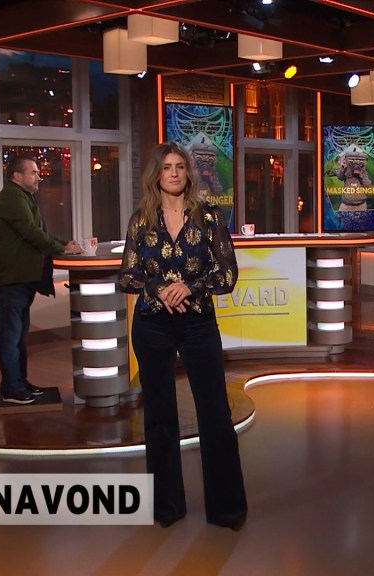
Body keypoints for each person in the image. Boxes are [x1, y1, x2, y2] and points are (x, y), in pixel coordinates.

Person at [118, 141, 247, 531]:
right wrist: (160, 289)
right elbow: (127, 275)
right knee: (159, 416)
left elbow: (227, 274)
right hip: (152, 325)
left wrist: (189, 287)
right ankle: (166, 506)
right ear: (156, 175)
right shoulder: (141, 220)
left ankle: (226, 509)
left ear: (188, 173)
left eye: (179, 167)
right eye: (166, 167)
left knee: (215, 413)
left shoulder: (208, 217)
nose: (173, 173)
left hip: (197, 323)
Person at [0, 157, 81, 404]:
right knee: (10, 337)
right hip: (6, 282)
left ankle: (19, 382)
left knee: (18, 337)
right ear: (17, 176)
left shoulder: (23, 197)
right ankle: (11, 388)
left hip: (18, 280)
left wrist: (64, 244)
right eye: (34, 172)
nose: (39, 177)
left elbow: (38, 233)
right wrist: (62, 247)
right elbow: (30, 232)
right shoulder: (12, 198)